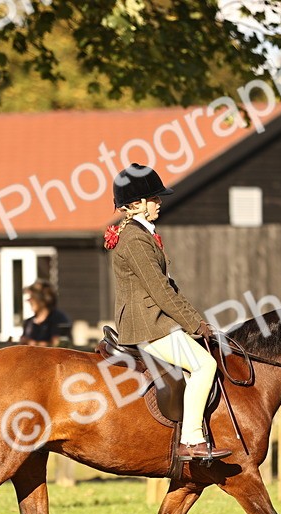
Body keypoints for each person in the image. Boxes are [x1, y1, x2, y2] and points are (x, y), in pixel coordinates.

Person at [106, 163, 232, 461]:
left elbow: (169, 288)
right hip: (147, 325)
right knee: (204, 365)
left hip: (154, 321)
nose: (159, 202)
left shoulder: (142, 234)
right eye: (154, 198)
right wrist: (196, 326)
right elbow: (161, 291)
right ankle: (190, 440)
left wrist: (197, 322)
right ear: (136, 204)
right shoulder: (135, 239)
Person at [19, 279, 71, 346]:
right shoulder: (29, 323)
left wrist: (33, 344)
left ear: (42, 300)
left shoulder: (59, 320)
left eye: (32, 297)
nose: (28, 301)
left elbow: (59, 346)